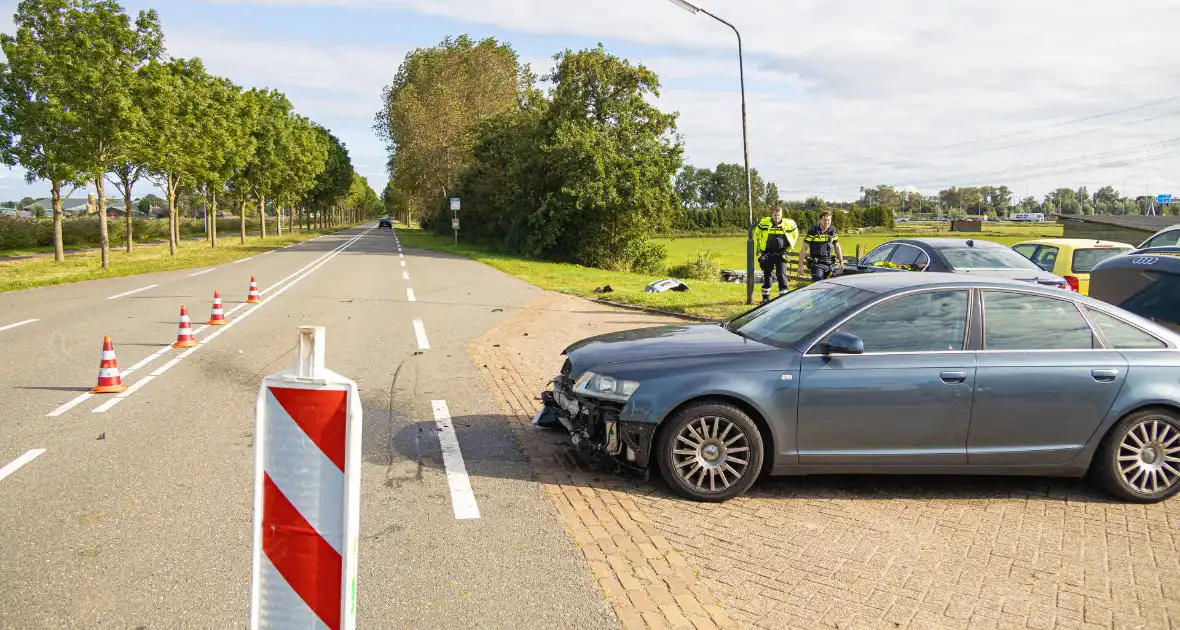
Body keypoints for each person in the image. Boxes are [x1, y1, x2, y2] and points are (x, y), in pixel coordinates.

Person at [753, 205, 799, 303]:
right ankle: (765, 298)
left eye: (778, 215)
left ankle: (783, 299)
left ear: (781, 215)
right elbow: (756, 234)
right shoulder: (764, 223)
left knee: (781, 275)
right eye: (775, 215)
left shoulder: (789, 223)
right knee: (767, 276)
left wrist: (790, 247)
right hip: (767, 252)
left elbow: (796, 233)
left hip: (782, 253)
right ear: (772, 214)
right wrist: (758, 248)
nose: (777, 217)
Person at [799, 210, 844, 282]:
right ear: (820, 220)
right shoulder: (812, 231)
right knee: (818, 284)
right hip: (817, 264)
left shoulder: (833, 231)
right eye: (824, 220)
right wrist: (800, 266)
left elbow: (837, 246)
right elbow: (804, 248)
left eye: (828, 220)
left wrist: (841, 262)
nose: (827, 222)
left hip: (829, 264)